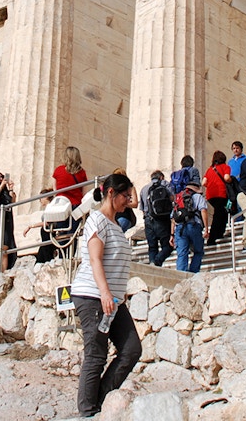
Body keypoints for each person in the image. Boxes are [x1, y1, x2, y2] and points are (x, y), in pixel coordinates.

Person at [70, 173, 142, 417]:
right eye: (125, 195)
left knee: (132, 349)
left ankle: (100, 399)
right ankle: (88, 410)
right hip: (93, 296)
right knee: (96, 353)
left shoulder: (114, 223)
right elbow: (94, 259)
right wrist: (104, 292)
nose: (129, 201)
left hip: (113, 300)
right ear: (111, 193)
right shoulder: (97, 220)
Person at [52, 146, 90, 256]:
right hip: (75, 205)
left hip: (61, 205)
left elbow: (54, 189)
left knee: (61, 231)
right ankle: (70, 256)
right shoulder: (82, 173)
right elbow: (84, 191)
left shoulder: (58, 170)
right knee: (72, 233)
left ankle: (61, 255)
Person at [170, 181, 210, 273]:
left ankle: (181, 274)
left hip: (179, 228)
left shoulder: (178, 198)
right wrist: (206, 229)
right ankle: (193, 273)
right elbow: (203, 211)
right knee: (198, 251)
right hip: (194, 226)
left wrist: (171, 235)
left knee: (182, 253)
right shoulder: (197, 197)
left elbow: (173, 218)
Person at [140, 171, 174, 266]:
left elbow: (142, 209)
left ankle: (152, 264)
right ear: (161, 177)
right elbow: (172, 198)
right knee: (168, 246)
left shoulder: (144, 189)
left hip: (148, 220)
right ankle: (157, 261)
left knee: (152, 247)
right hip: (162, 220)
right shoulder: (165, 184)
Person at [202, 150, 232, 245]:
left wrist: (211, 186)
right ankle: (212, 238)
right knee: (219, 214)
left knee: (221, 212)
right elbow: (227, 178)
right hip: (221, 193)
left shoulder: (210, 169)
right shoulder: (225, 167)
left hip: (210, 195)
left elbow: (203, 183)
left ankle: (220, 233)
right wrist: (231, 181)